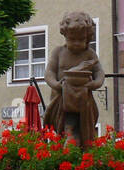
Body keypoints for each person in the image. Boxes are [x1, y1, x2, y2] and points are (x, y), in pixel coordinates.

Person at [43, 12, 104, 146]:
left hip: (83, 99)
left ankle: (77, 148)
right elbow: (49, 73)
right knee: (65, 129)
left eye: (81, 40)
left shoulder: (89, 54)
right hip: (61, 98)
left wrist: (95, 84)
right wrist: (56, 84)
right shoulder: (58, 52)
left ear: (87, 38)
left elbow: (99, 72)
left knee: (83, 129)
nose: (76, 43)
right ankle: (70, 143)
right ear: (65, 35)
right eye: (72, 39)